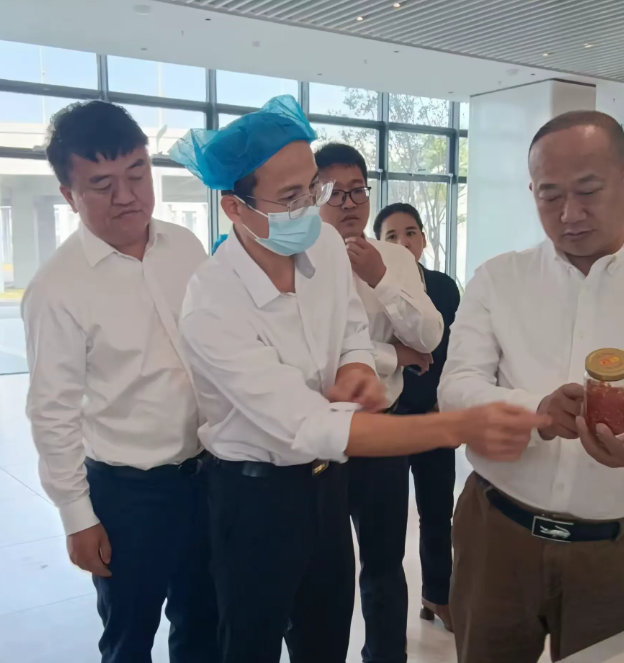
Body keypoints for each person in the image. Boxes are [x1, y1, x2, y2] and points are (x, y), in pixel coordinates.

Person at [171, 96, 548, 663]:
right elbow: (309, 424)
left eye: (313, 189)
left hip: (326, 485)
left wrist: (356, 367)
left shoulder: (323, 246)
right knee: (249, 643)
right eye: (291, 197)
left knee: (326, 634)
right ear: (234, 207)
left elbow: (350, 327)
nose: (310, 207)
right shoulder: (212, 303)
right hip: (254, 498)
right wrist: (459, 426)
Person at [439, 110, 624, 663]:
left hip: (619, 551)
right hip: (497, 537)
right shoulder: (499, 278)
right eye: (550, 195)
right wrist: (531, 411)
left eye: (588, 191)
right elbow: (458, 387)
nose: (569, 213)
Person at [22, 101, 218, 663]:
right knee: (129, 637)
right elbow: (52, 413)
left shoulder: (184, 247)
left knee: (204, 625)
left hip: (207, 476)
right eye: (102, 185)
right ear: (69, 195)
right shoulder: (57, 288)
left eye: (137, 173)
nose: (127, 195)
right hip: (128, 496)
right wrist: (77, 518)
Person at [316, 143, 443, 663]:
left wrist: (381, 279)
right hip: (321, 437)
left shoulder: (393, 259)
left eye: (357, 191)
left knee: (385, 563)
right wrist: (395, 354)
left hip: (382, 430)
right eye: (334, 192)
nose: (349, 203)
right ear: (312, 195)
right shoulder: (298, 260)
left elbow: (429, 336)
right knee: (323, 572)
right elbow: (320, 359)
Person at [373, 202, 460, 633]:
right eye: (391, 236)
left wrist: (449, 404)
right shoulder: (369, 286)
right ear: (378, 244)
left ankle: (437, 595)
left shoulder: (443, 287)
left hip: (433, 417)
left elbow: (454, 353)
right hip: (387, 424)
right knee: (388, 524)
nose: (403, 242)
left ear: (423, 238)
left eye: (410, 232)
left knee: (437, 512)